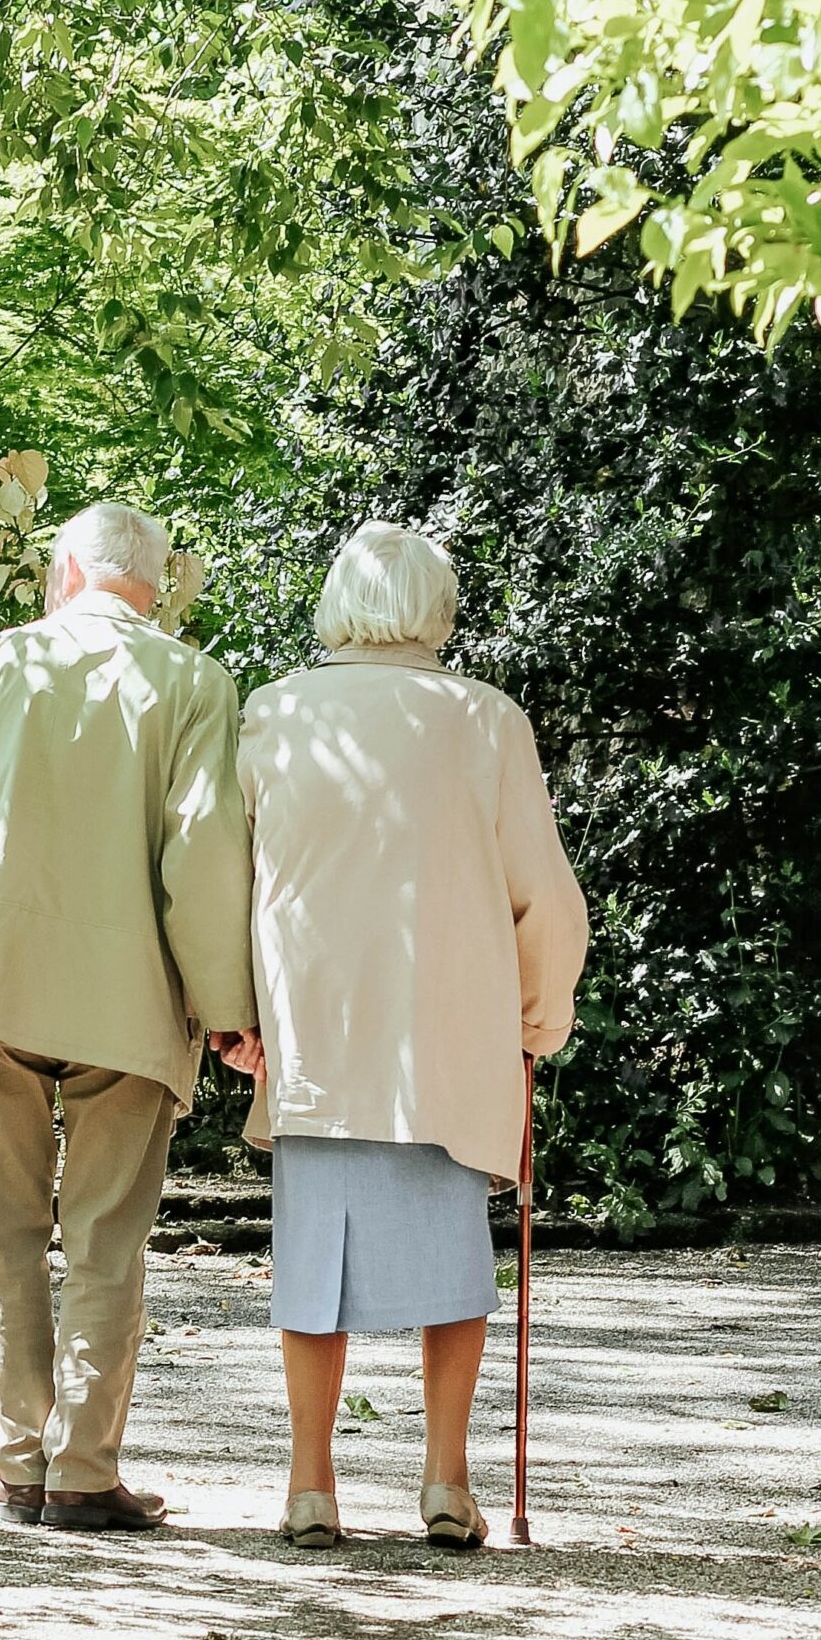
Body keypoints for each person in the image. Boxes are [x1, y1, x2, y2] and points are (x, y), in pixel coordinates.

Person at [0, 501, 257, 1532]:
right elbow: (204, 852)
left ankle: (17, 1465)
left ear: (65, 573)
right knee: (105, 1240)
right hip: (130, 997)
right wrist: (226, 1007)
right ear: (155, 585)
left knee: (2, 1236)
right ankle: (82, 1472)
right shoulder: (194, 682)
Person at [225, 521, 588, 1551]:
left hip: (318, 1030)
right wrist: (537, 1012)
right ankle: (444, 1479)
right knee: (453, 1264)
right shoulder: (484, 721)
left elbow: (229, 879)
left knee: (310, 1265)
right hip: (448, 1032)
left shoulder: (274, 712)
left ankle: (309, 1484)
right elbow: (544, 897)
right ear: (438, 608)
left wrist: (234, 1014)